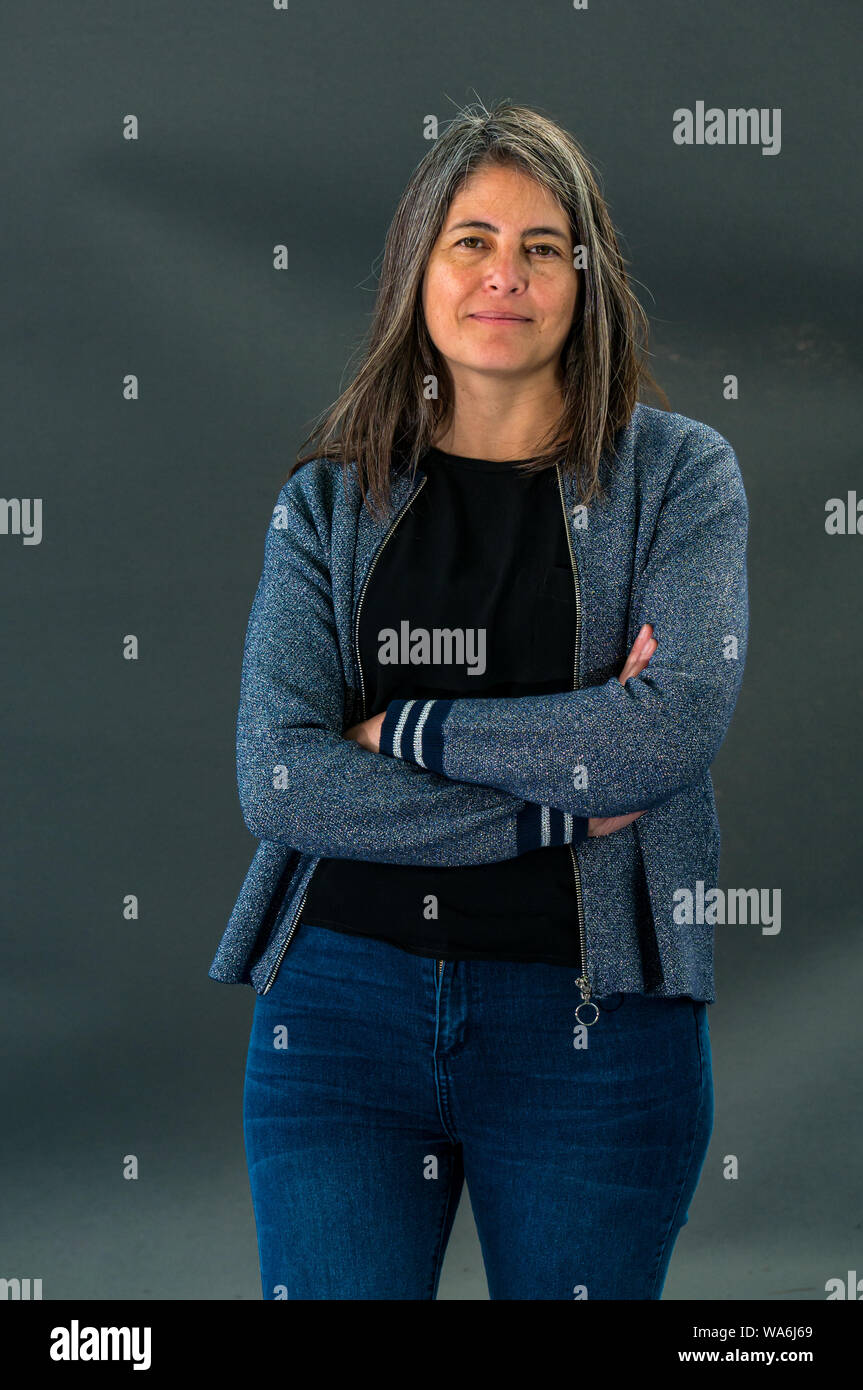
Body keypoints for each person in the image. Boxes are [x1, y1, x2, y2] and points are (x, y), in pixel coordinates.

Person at [209, 98, 749, 1300]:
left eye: (540, 246)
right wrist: (548, 805)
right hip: (338, 1017)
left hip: (593, 1034)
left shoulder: (678, 477)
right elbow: (281, 776)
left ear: (582, 277)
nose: (503, 274)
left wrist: (404, 731)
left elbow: (663, 730)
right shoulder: (328, 500)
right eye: (471, 240)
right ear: (418, 267)